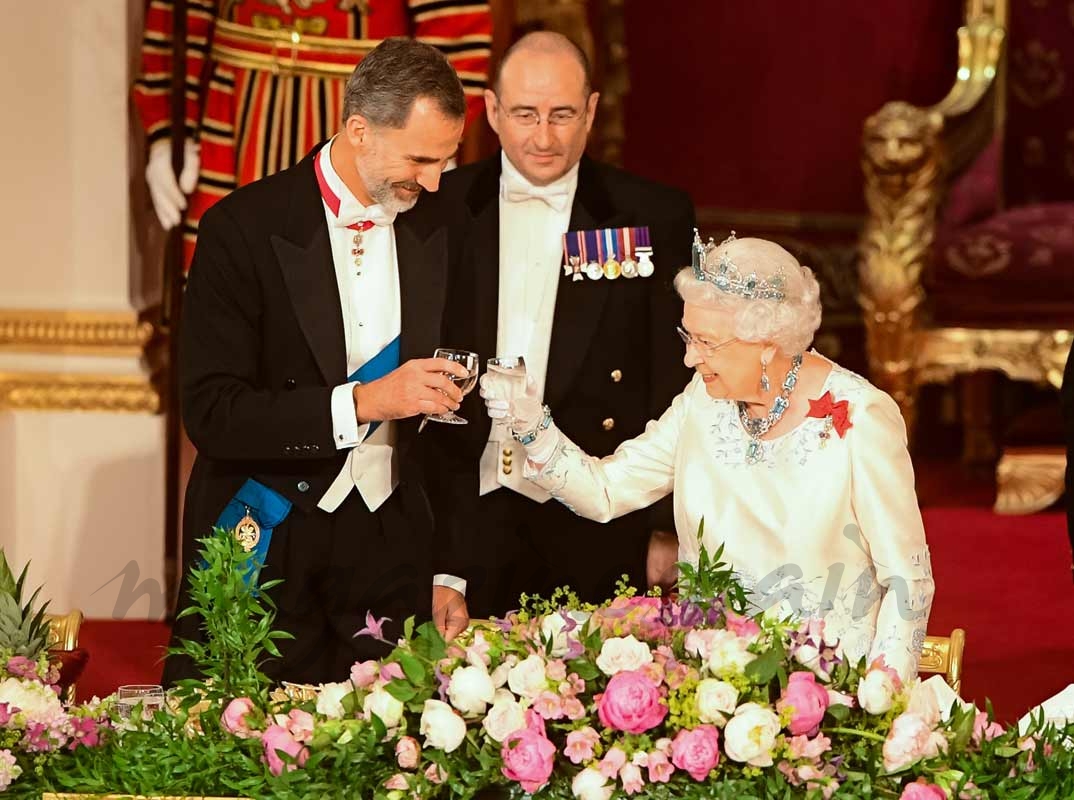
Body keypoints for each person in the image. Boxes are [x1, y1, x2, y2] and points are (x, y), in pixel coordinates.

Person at [484, 235, 935, 682]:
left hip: (828, 692)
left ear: (767, 342)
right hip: (709, 687)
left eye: (705, 342)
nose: (688, 358)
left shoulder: (862, 417)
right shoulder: (703, 400)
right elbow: (606, 491)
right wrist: (533, 428)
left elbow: (907, 579)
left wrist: (880, 696)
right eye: (687, 336)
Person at [165, 38, 472, 687]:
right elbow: (213, 413)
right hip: (265, 535)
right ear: (358, 130)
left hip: (393, 550)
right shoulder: (239, 229)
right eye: (421, 158)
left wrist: (449, 569)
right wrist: (363, 404)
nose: (437, 180)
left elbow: (459, 427)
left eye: (447, 159)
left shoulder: (445, 226)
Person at [417, 31, 695, 621]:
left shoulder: (651, 214)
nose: (543, 137)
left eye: (562, 114)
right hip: (471, 503)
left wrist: (665, 526)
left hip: (600, 507)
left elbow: (677, 380)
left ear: (592, 110)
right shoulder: (438, 206)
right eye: (524, 114)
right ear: (490, 110)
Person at [133, 0, 492, 267]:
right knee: (224, 265)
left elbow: (455, 25)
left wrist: (428, 135)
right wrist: (166, 127)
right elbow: (181, 17)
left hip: (368, 108)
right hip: (236, 111)